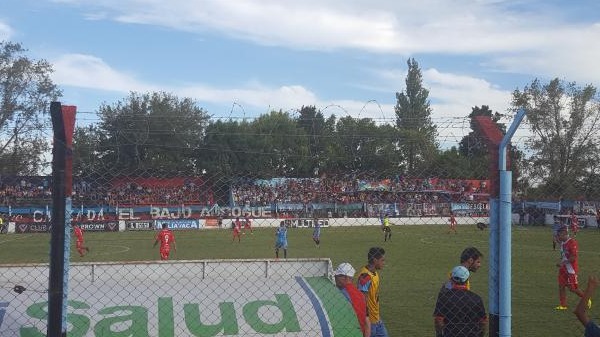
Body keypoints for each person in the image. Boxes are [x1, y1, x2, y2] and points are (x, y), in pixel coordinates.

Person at [434, 266, 488, 337]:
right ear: (467, 280)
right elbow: (483, 321)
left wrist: (439, 335)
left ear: (452, 279)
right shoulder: (476, 298)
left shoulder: (444, 297)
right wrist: (481, 334)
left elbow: (439, 320)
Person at [555, 226, 591, 310]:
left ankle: (586, 299)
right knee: (561, 286)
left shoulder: (572, 242)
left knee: (573, 289)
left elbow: (573, 258)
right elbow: (564, 254)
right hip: (563, 269)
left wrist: (562, 263)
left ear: (564, 234)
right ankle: (563, 305)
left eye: (559, 234)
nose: (558, 236)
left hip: (571, 269)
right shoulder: (563, 242)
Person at [334, 262, 370, 337]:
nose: (334, 278)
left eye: (337, 276)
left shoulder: (339, 294)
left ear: (346, 277)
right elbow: (367, 322)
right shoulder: (360, 295)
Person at [357, 247, 388, 337]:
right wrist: (366, 321)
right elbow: (362, 299)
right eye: (382, 260)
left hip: (377, 319)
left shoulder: (374, 273)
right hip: (370, 322)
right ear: (375, 260)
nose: (384, 263)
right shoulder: (365, 276)